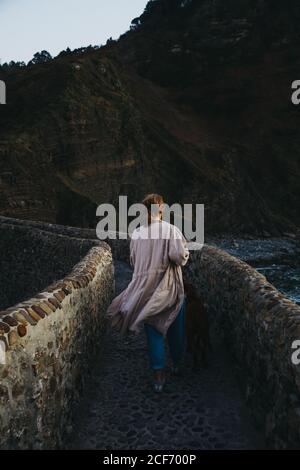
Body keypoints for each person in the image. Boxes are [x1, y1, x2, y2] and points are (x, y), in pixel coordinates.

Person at [107, 194, 189, 392]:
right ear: (160, 209)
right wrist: (185, 254)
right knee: (175, 328)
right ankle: (177, 363)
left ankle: (158, 376)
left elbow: (134, 261)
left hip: (145, 289)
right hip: (168, 287)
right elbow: (178, 256)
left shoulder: (137, 234)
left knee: (153, 330)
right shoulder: (171, 230)